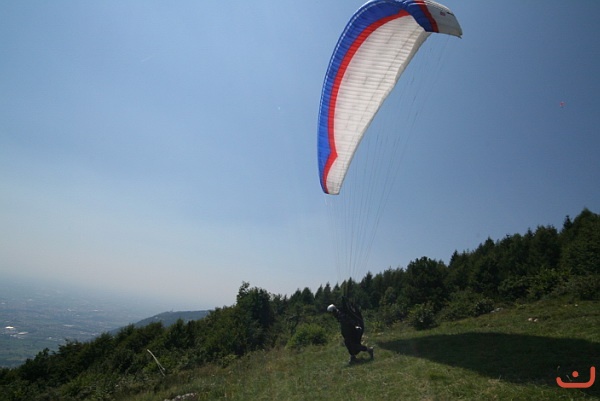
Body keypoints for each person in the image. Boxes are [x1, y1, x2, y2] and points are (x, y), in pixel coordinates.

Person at [327, 297, 374, 363]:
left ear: (333, 311)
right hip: (349, 332)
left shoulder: (341, 315)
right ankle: (353, 357)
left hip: (353, 331)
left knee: (354, 345)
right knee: (348, 344)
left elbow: (349, 322)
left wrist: (354, 327)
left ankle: (369, 350)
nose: (331, 314)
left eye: (331, 313)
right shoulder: (339, 315)